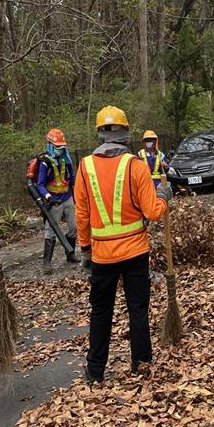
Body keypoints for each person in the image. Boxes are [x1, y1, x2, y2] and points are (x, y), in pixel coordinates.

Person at [74, 106, 172, 382]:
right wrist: (163, 195)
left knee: (101, 312)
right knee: (137, 309)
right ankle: (141, 364)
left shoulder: (85, 167)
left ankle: (95, 372)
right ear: (126, 134)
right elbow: (153, 212)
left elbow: (81, 214)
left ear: (100, 134)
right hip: (135, 252)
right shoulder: (135, 166)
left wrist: (85, 250)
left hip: (102, 256)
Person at [36, 128, 78, 274]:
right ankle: (47, 262)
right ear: (50, 145)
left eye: (62, 147)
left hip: (67, 198)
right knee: (50, 232)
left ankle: (70, 254)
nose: (60, 149)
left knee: (73, 227)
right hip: (53, 202)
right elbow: (39, 184)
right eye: (57, 147)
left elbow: (72, 179)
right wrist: (46, 196)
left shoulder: (67, 160)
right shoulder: (44, 163)